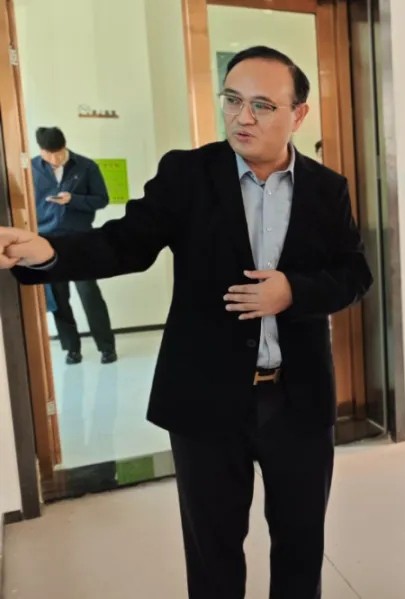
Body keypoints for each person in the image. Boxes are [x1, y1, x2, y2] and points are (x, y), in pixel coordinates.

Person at [0, 46, 372, 598]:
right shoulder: (188, 174)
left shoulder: (326, 188)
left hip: (298, 400)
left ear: (298, 115)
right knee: (212, 554)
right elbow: (124, 244)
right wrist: (48, 251)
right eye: (233, 100)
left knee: (300, 547)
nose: (243, 117)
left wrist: (293, 291)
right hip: (206, 399)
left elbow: (354, 274)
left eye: (262, 105)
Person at [31, 126, 117, 365]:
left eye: (58, 153)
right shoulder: (31, 168)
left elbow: (102, 199)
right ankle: (72, 348)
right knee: (59, 297)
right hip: (47, 240)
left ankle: (107, 347)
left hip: (80, 240)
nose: (54, 159)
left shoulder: (86, 166)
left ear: (65, 146)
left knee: (89, 294)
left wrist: (73, 200)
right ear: (41, 151)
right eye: (49, 154)